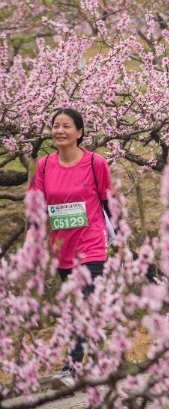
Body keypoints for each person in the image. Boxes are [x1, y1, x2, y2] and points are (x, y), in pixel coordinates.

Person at [30, 108, 114, 390]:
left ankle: (72, 369)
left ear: (79, 132)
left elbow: (109, 202)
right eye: (56, 126)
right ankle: (106, 363)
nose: (60, 131)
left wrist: (119, 238)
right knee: (79, 309)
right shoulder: (44, 166)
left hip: (91, 245)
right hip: (61, 249)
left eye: (66, 126)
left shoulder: (95, 163)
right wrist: (33, 240)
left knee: (82, 305)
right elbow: (35, 205)